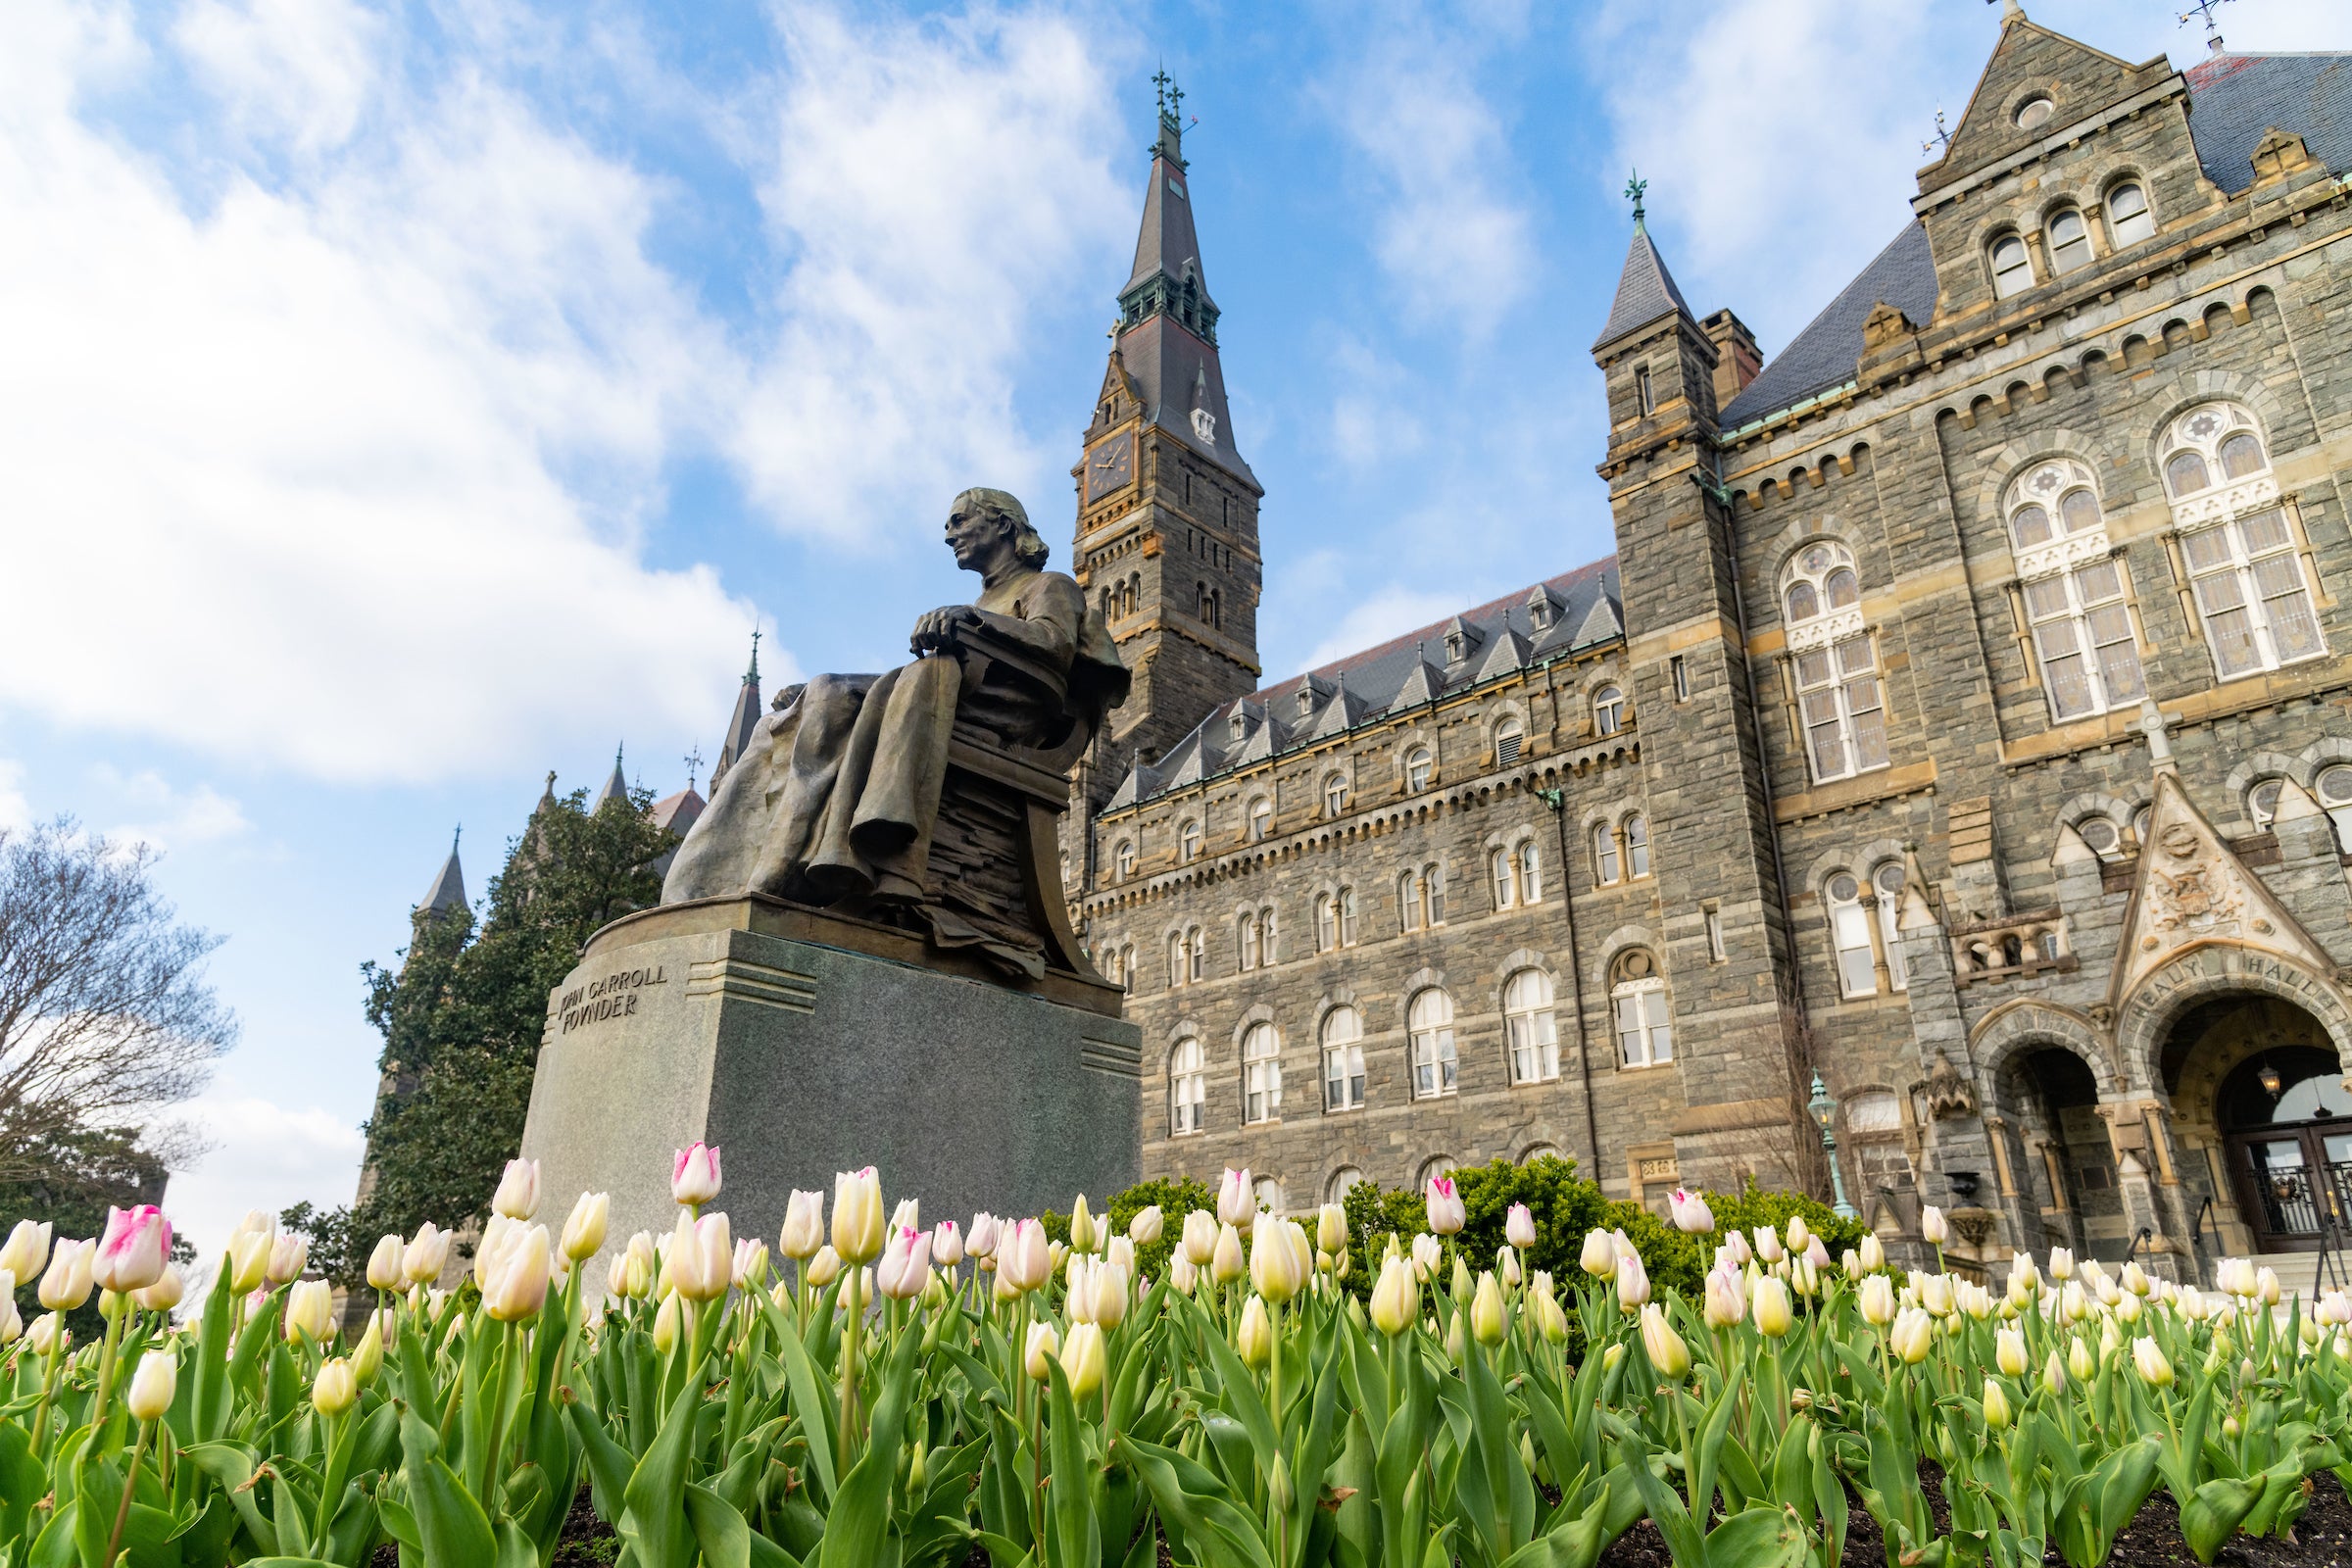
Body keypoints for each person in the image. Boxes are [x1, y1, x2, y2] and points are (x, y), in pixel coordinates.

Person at [664, 489, 1125, 935]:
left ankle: (807, 860)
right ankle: (716, 876)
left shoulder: (1051, 585)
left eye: (960, 521)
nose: (949, 535)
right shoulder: (983, 600)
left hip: (1005, 718)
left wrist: (972, 621)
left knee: (853, 689)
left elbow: (1055, 641)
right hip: (954, 701)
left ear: (1003, 525)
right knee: (806, 703)